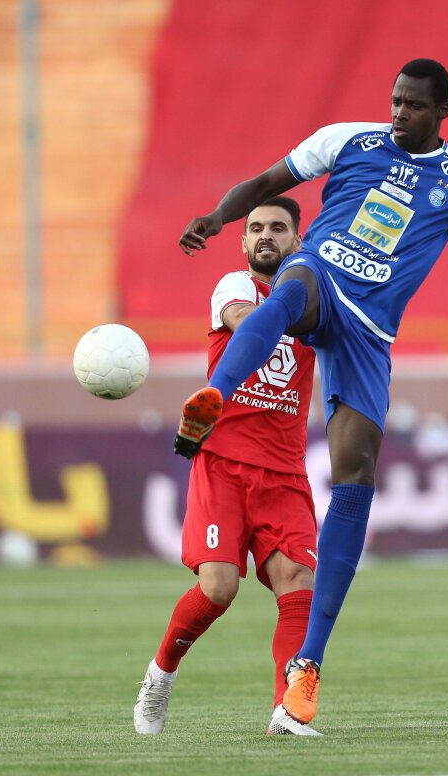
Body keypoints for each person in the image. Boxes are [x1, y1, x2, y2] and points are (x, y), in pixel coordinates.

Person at [172, 58, 448, 728]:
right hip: (322, 275)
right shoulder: (346, 140)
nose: (399, 113)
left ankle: (307, 670)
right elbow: (266, 183)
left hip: (369, 331)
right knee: (291, 290)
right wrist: (220, 216)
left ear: (442, 111)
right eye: (395, 100)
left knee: (357, 474)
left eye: (414, 105)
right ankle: (215, 396)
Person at [135, 196, 323, 737]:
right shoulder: (235, 287)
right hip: (223, 463)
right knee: (218, 588)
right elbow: (247, 323)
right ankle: (161, 673)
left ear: (297, 239)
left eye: (278, 228)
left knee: (298, 582)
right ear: (242, 242)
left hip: (284, 470)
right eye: (256, 228)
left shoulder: (317, 298)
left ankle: (285, 713)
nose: (265, 235)